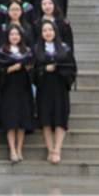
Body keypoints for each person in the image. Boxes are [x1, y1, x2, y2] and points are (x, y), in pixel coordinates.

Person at [34, 21, 76, 164]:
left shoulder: (64, 48)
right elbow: (33, 71)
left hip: (60, 88)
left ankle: (57, 149)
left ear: (55, 31)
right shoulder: (37, 49)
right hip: (44, 88)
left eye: (50, 30)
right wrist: (44, 69)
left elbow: (72, 68)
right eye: (44, 30)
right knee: (45, 118)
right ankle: (50, 149)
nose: (48, 33)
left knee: (60, 118)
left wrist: (61, 70)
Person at [0, 24, 35, 163]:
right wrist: (11, 69)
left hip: (23, 89)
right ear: (7, 36)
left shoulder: (27, 52)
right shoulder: (1, 52)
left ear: (21, 36)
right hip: (8, 90)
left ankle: (19, 149)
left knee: (22, 120)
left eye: (17, 34)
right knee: (10, 120)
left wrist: (29, 70)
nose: (14, 37)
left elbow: (33, 72)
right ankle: (12, 149)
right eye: (11, 34)